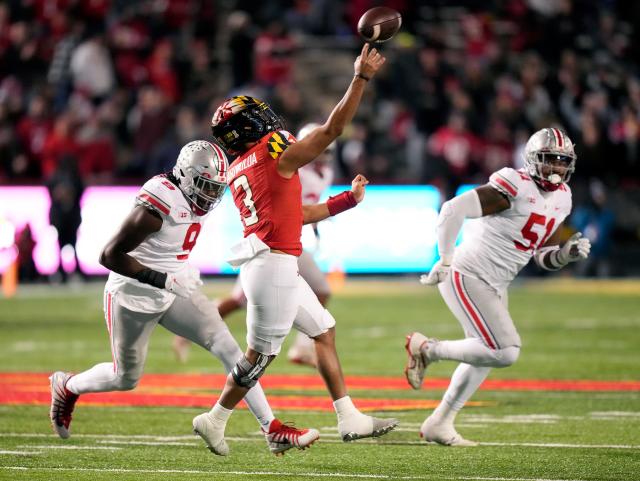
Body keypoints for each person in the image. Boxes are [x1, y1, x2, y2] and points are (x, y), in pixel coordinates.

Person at [49, 141, 318, 456]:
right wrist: (163, 278)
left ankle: (271, 429)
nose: (212, 195)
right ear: (187, 176)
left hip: (175, 288)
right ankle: (67, 386)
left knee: (230, 348)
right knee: (125, 377)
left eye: (218, 188)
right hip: (133, 295)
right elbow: (109, 255)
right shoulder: (156, 206)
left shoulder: (196, 195)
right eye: (206, 186)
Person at [191, 43, 397, 456]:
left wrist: (345, 202)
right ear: (249, 128)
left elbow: (295, 214)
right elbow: (331, 131)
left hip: (273, 261)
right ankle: (213, 419)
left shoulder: (239, 166)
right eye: (256, 116)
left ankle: (348, 415)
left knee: (323, 329)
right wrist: (360, 78)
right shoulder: (272, 152)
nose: (266, 118)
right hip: (272, 267)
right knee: (258, 359)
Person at [405, 127, 591, 446]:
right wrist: (445, 258)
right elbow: (453, 209)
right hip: (468, 273)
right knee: (505, 351)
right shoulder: (515, 185)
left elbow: (538, 256)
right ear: (533, 160)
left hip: (495, 282)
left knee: (484, 355)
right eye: (549, 160)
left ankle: (440, 422)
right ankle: (426, 349)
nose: (556, 168)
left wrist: (564, 255)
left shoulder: (563, 199)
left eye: (562, 161)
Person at [172, 122, 337, 367]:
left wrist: (315, 228)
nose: (324, 156)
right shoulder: (296, 168)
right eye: (322, 150)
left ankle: (190, 328)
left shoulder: (323, 174)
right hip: (275, 240)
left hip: (288, 240)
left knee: (243, 298)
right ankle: (301, 348)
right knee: (312, 291)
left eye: (329, 152)